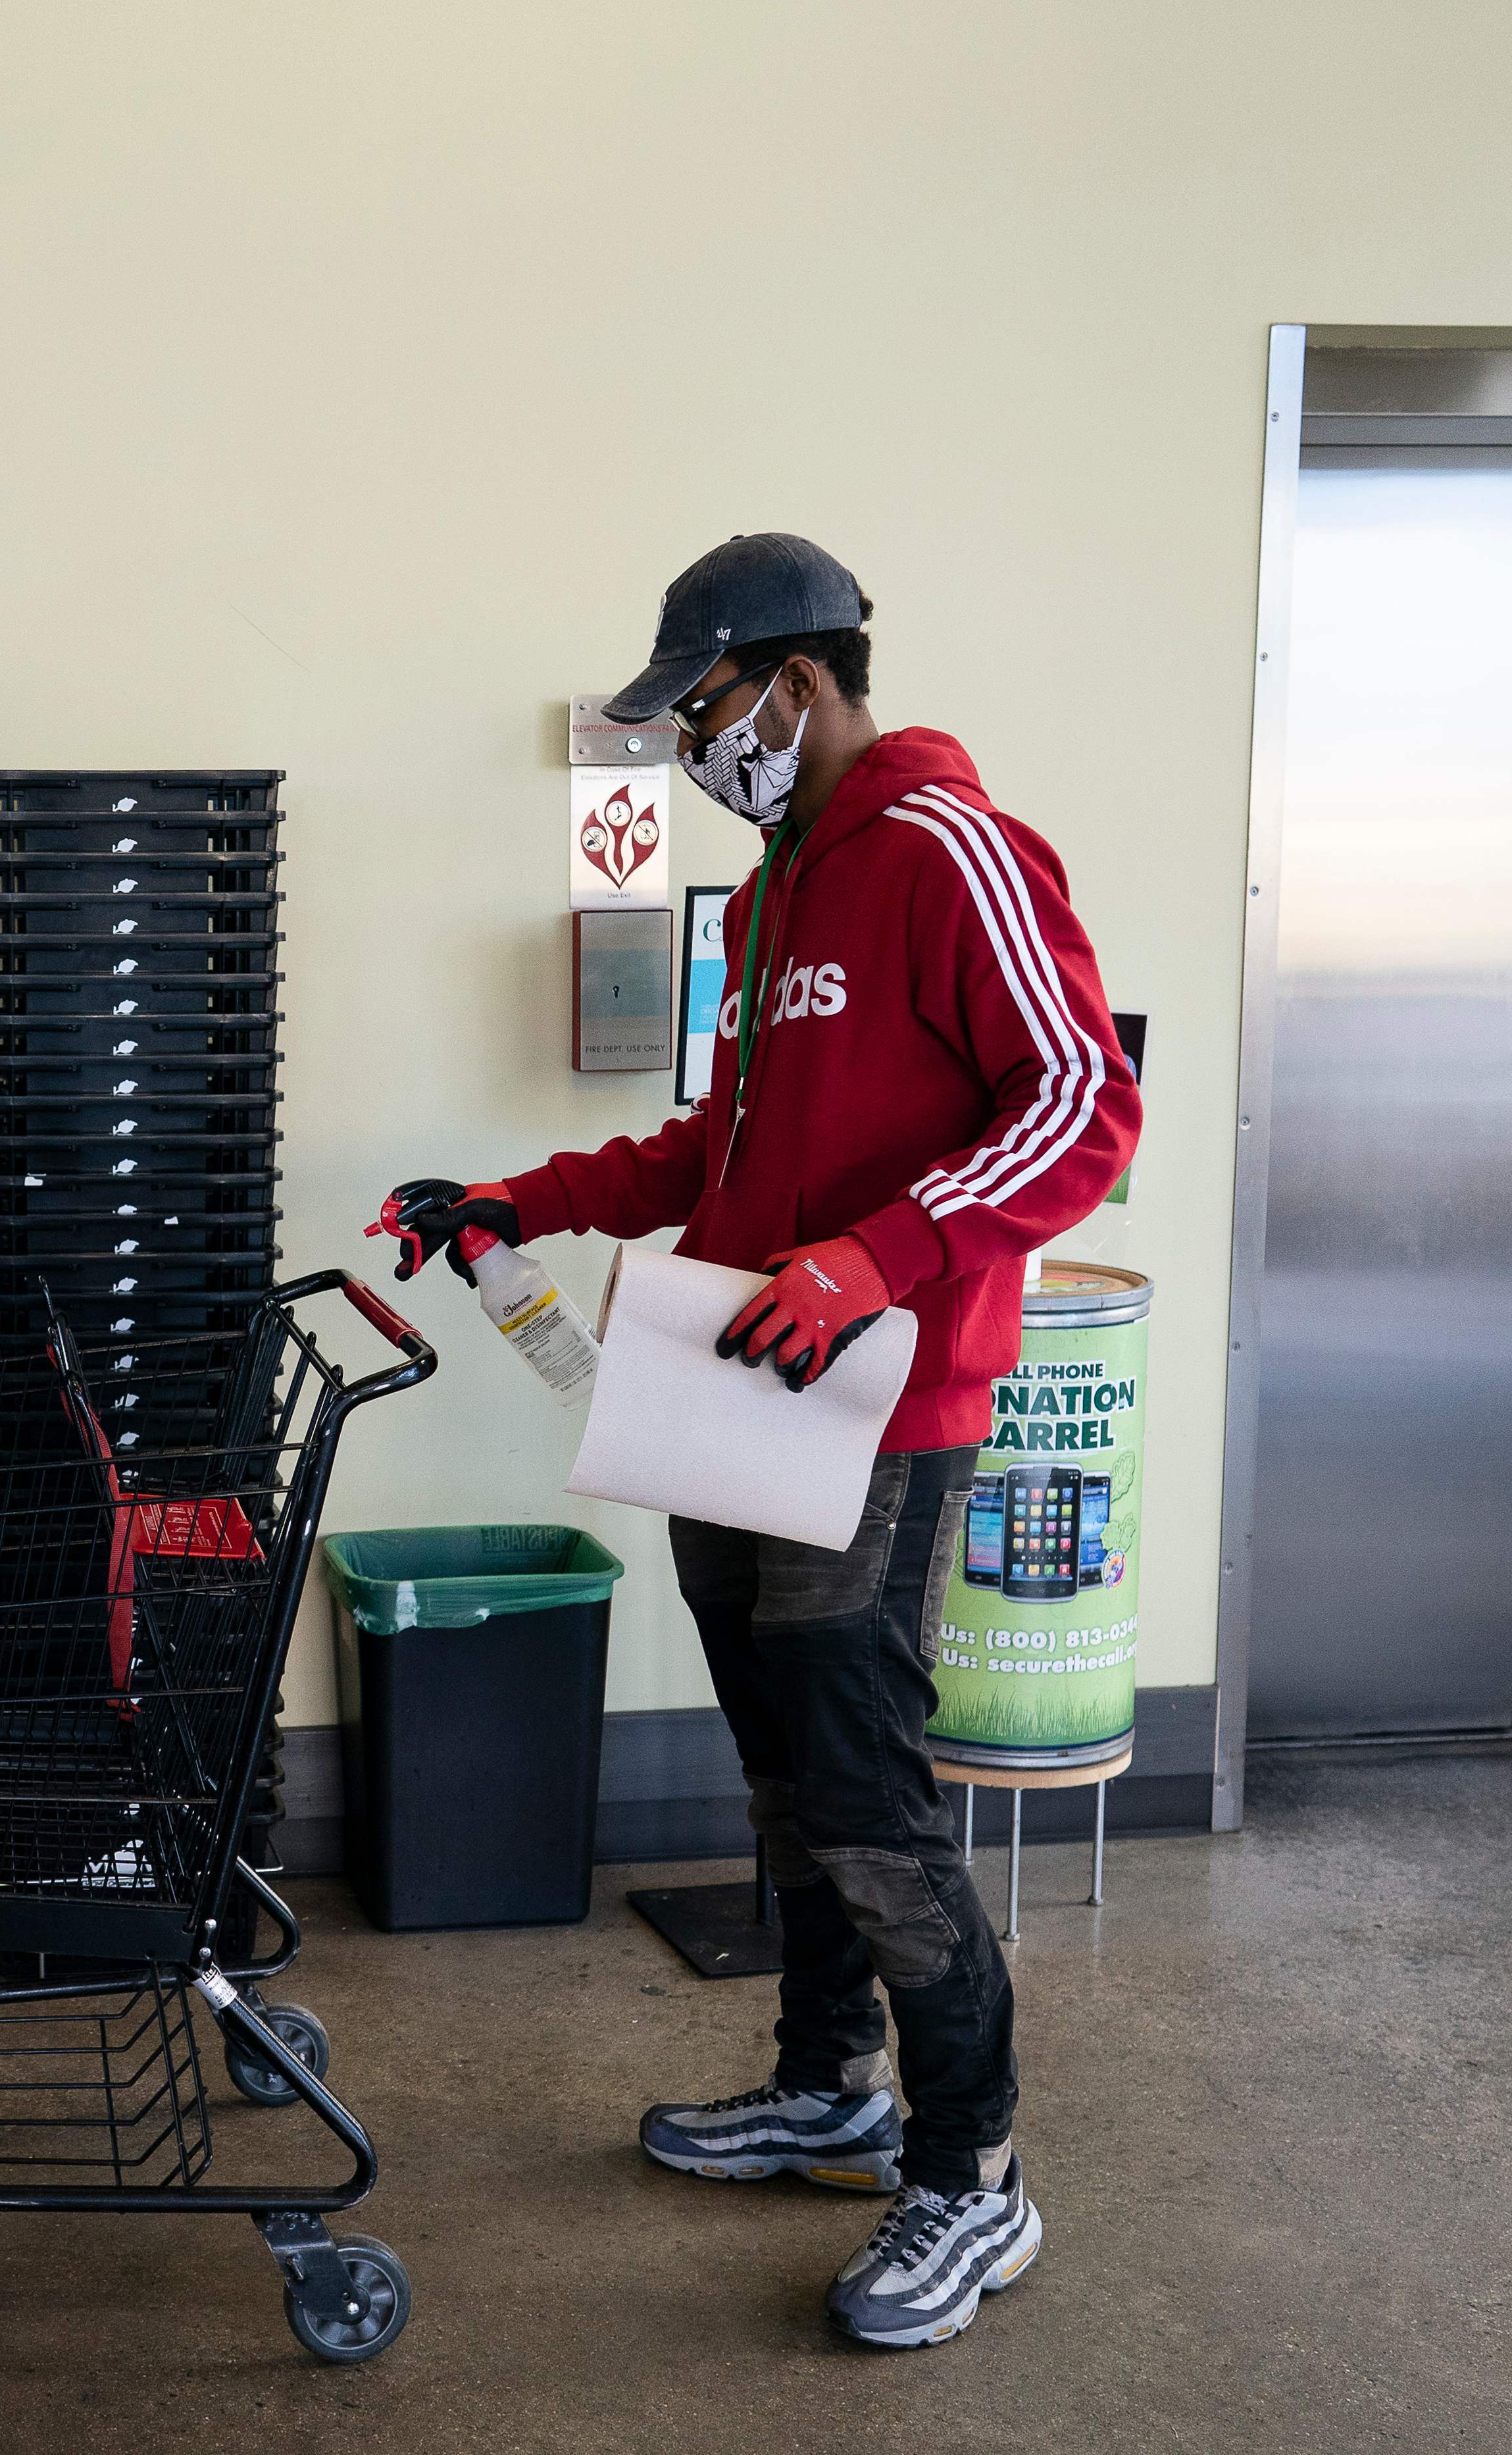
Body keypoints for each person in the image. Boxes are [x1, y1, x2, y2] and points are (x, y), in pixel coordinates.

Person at [384, 532, 1139, 2350]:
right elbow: (709, 1153)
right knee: (787, 1792)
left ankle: (970, 2177)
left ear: (792, 686)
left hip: (875, 1421)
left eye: (700, 711)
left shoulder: (949, 853)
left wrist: (876, 1256)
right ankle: (828, 2091)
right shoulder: (778, 893)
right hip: (735, 1394)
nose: (684, 750)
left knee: (873, 1808)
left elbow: (1085, 1101)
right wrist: (518, 1196)